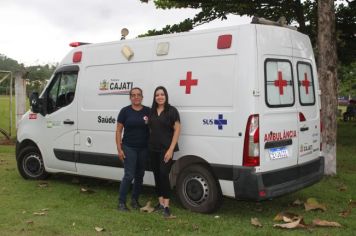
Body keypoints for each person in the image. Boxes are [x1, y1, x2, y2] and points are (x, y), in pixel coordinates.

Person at [148, 86, 181, 218]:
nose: (160, 97)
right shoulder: (151, 111)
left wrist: (171, 149)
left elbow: (177, 129)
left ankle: (167, 206)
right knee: (156, 174)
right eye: (157, 95)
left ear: (166, 96)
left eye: (162, 94)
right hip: (152, 148)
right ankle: (160, 202)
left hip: (166, 149)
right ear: (154, 97)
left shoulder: (172, 111)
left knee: (163, 174)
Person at [116, 87, 150, 211]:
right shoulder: (125, 111)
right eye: (133, 95)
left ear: (142, 97)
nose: (136, 97)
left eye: (138, 95)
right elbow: (119, 130)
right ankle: (121, 202)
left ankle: (135, 201)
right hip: (129, 147)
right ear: (130, 97)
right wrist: (119, 149)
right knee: (129, 175)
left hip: (143, 148)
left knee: (140, 175)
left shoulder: (148, 111)